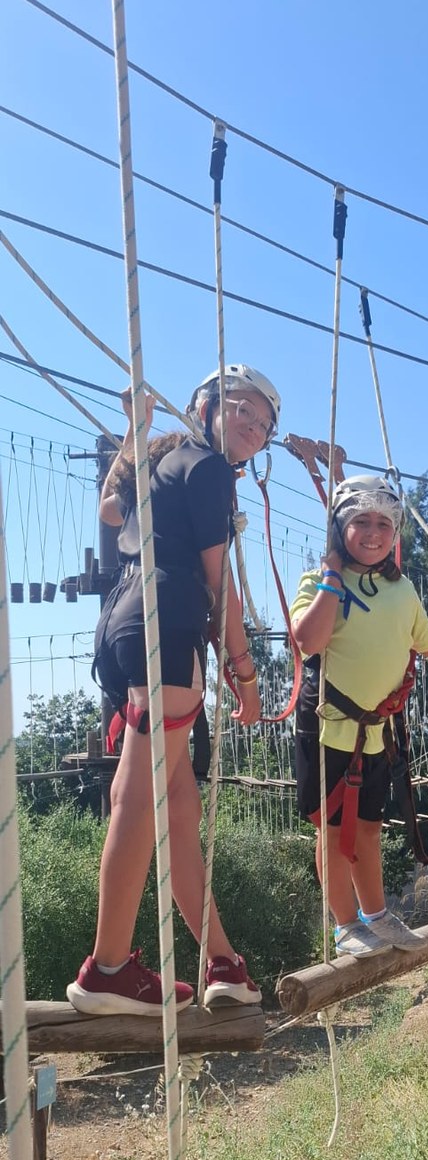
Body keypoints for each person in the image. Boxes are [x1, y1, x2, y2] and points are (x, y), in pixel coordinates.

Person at [67, 365, 279, 1015]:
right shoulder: (210, 470)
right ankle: (106, 969)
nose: (255, 427)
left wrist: (136, 432)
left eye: (265, 425)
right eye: (245, 410)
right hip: (169, 631)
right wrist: (244, 678)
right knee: (140, 797)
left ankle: (222, 963)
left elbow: (109, 507)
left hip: (124, 624)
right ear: (207, 405)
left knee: (177, 806)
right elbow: (221, 590)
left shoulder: (161, 463)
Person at [290, 473, 428, 958]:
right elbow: (308, 640)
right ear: (340, 526)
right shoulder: (319, 583)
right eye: (360, 521)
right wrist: (332, 577)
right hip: (327, 726)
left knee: (366, 828)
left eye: (384, 523)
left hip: (376, 734)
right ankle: (345, 926)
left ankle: (376, 915)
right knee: (332, 829)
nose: (373, 532)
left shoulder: (401, 590)